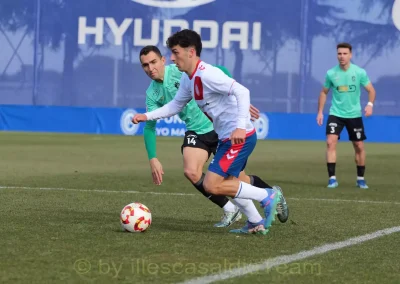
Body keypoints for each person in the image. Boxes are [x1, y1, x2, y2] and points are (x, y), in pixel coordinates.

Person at [133, 30, 289, 234]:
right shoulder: (189, 79)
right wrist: (147, 116)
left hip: (238, 137)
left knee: (213, 184)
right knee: (221, 181)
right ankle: (255, 221)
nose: (172, 57)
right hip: (222, 136)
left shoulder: (206, 73)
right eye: (146, 64)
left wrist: (241, 123)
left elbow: (242, 91)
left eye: (175, 52)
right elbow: (175, 105)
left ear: (190, 52)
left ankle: (267, 195)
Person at [316, 42, 376, 189]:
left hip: (354, 115)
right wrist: (320, 112)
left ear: (350, 55)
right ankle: (332, 179)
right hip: (336, 113)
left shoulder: (359, 72)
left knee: (359, 146)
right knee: (330, 142)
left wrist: (370, 105)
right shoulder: (331, 73)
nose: (342, 56)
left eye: (344, 54)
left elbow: (371, 90)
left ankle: (360, 178)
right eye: (339, 54)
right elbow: (324, 92)